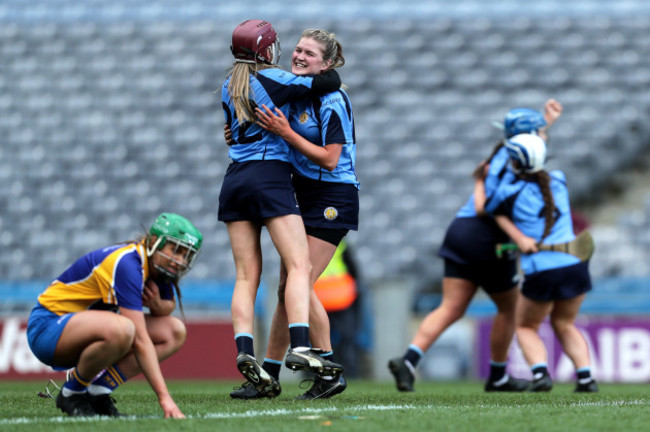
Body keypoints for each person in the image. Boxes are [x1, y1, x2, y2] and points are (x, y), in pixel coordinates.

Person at [388, 99, 562, 392]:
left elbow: (533, 141)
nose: (544, 137)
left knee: (451, 307)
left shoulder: (503, 154)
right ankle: (497, 376)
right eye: (540, 132)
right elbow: (485, 206)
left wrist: (546, 121)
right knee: (511, 309)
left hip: (461, 231)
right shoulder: (514, 160)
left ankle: (408, 360)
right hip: (487, 237)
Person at [228, 28, 359, 400]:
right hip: (304, 192)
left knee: (299, 285)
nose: (299, 56)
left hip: (333, 195)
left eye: (310, 54)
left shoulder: (333, 98)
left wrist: (286, 132)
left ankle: (328, 368)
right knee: (289, 288)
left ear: (327, 64)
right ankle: (268, 376)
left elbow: (331, 159)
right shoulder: (293, 89)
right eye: (298, 50)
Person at [26, 213, 203, 418]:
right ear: (155, 242)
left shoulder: (155, 265)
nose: (180, 260)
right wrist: (165, 398)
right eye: (176, 251)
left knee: (174, 331)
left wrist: (157, 304)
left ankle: (98, 391)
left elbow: (165, 309)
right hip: (47, 328)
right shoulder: (128, 263)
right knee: (125, 329)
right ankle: (72, 393)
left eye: (186, 255)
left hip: (78, 328)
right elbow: (139, 338)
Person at [480, 133, 597, 393]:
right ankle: (586, 378)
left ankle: (540, 373)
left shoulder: (509, 192)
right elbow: (536, 161)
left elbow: (491, 202)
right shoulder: (559, 180)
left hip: (543, 268)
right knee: (565, 323)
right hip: (575, 263)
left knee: (525, 325)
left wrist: (517, 234)